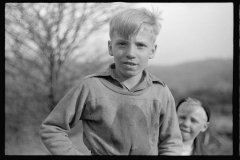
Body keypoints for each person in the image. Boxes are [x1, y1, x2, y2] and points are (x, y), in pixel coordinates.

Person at [40, 7, 183, 155]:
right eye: (122, 44)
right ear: (110, 47)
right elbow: (52, 128)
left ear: (152, 51)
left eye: (140, 45)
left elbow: (172, 142)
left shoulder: (160, 92)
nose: (130, 53)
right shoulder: (90, 87)